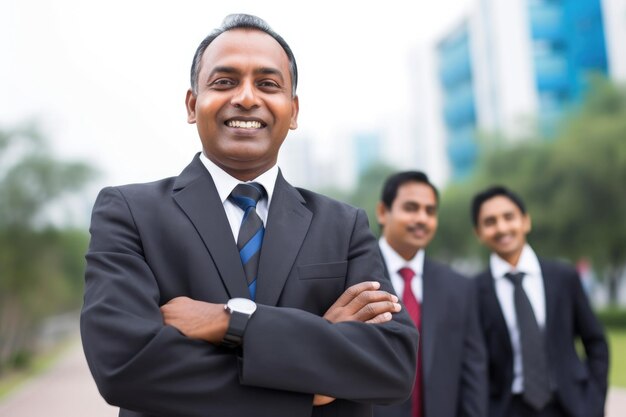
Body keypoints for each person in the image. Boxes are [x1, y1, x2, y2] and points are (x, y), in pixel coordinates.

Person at [80, 14, 418, 417]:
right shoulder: (130, 213)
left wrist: (231, 322)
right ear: (193, 104)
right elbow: (124, 365)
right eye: (224, 82)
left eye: (267, 84)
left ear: (292, 112)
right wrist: (309, 381)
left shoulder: (343, 226)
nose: (245, 97)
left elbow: (392, 364)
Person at [471, 185, 609, 417]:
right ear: (479, 232)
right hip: (505, 408)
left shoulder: (564, 277)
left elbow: (595, 342)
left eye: (509, 217)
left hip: (570, 406)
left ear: (526, 221)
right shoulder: (472, 290)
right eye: (490, 221)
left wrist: (593, 403)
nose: (502, 227)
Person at [372, 171, 487, 417]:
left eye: (430, 211)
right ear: (383, 212)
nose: (422, 218)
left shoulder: (460, 288)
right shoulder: (354, 275)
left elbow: (473, 370)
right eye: (411, 208)